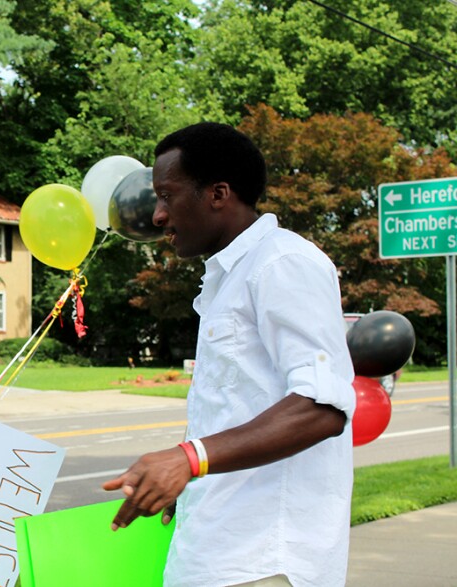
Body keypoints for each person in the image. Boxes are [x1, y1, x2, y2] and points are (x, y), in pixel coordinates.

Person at [103, 122, 355, 587]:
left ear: (218, 193)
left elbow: (322, 408)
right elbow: (236, 406)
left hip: (264, 560)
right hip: (217, 552)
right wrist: (191, 478)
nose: (156, 216)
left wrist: (188, 459)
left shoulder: (282, 263)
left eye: (167, 196)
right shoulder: (227, 278)